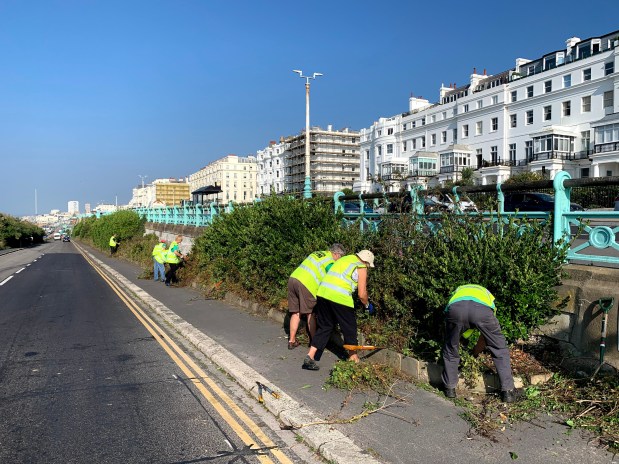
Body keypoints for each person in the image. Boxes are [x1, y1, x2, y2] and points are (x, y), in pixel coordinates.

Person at [441, 284, 523, 403]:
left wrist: (469, 350)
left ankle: (449, 388)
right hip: (482, 311)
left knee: (450, 347)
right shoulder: (487, 296)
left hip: (456, 309)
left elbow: (458, 329)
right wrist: (475, 353)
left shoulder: (458, 291)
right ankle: (508, 392)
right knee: (499, 348)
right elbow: (485, 338)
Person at [302, 250, 375, 371]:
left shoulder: (344, 259)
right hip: (340, 297)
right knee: (349, 327)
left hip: (323, 293)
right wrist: (367, 306)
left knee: (325, 326)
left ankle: (310, 356)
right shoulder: (361, 266)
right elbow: (362, 294)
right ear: (366, 262)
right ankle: (353, 358)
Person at [287, 244, 347, 350]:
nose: (340, 260)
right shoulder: (330, 261)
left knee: (296, 312)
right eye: (341, 257)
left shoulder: (318, 253)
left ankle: (291, 341)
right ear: (337, 254)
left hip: (293, 279)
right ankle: (315, 343)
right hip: (306, 284)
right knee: (311, 313)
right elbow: (332, 277)